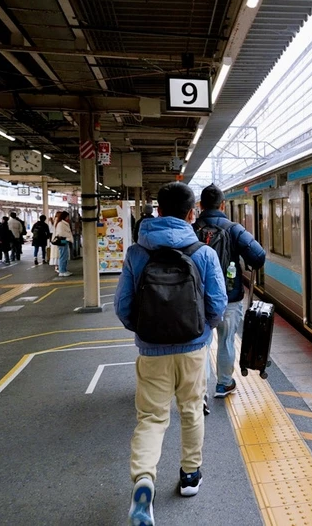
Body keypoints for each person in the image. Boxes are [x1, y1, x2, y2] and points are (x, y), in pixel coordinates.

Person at [115, 182, 226, 526]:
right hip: (193, 348)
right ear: (192, 214)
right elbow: (218, 304)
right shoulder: (203, 253)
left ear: (159, 211)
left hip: (151, 352)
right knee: (191, 410)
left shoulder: (137, 253)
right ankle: (190, 476)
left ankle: (144, 480)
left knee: (151, 418)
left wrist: (146, 331)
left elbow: (122, 306)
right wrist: (202, 330)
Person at [194, 184, 266, 399]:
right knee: (226, 340)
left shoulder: (192, 229)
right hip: (229, 296)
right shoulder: (234, 229)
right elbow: (259, 256)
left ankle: (200, 393)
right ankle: (224, 384)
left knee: (202, 344)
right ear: (223, 205)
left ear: (200, 205)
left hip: (198, 298)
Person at [53, 211, 73, 277]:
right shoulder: (61, 224)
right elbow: (61, 233)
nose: (68, 217)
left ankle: (64, 270)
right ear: (65, 216)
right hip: (63, 241)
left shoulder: (62, 223)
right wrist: (67, 237)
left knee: (65, 255)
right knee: (63, 256)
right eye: (67, 216)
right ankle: (62, 271)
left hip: (64, 241)